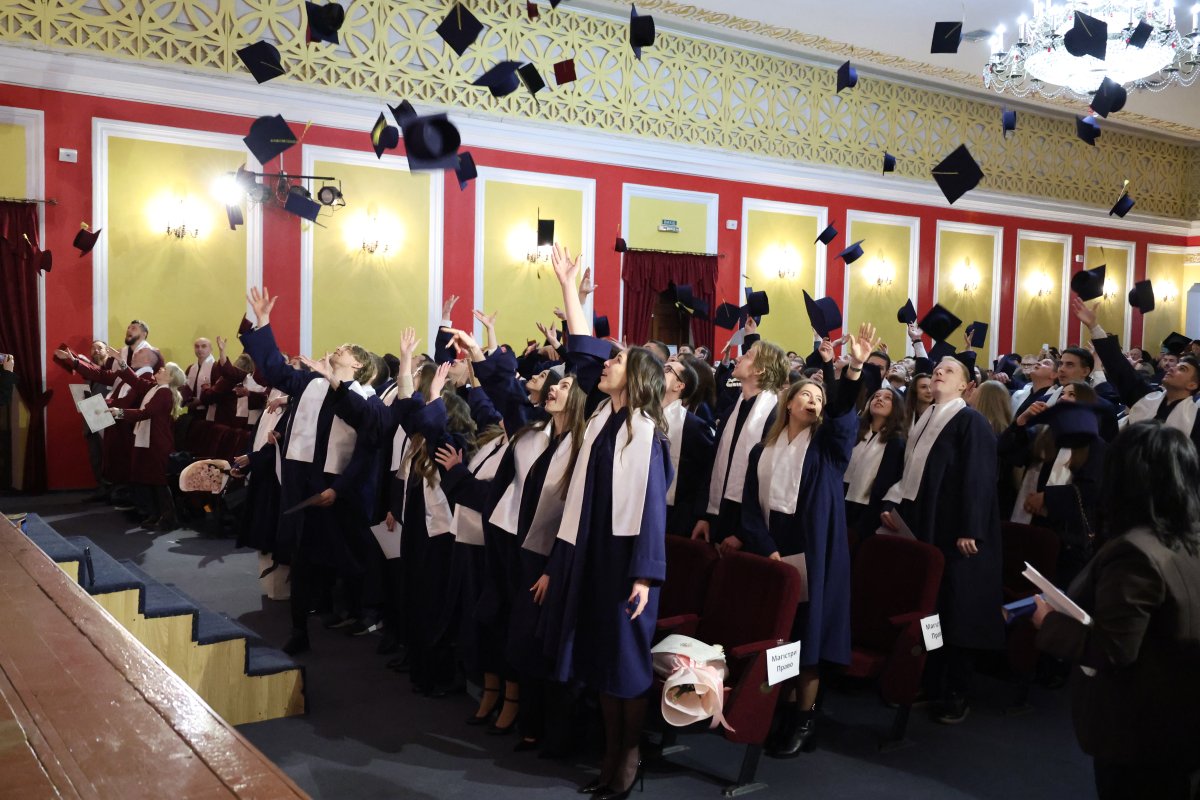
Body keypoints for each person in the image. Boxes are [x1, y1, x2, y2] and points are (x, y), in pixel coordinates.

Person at [539, 244, 671, 800]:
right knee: (600, 661)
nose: (606, 364)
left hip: (627, 561)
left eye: (617, 361)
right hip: (592, 551)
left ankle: (629, 755)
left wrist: (644, 576)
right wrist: (568, 289)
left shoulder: (646, 433)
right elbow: (582, 351)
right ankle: (609, 754)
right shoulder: (602, 416)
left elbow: (653, 512)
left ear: (634, 377)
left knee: (626, 666)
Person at [1033, 422, 1200, 800]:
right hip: (1183, 720)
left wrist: (1050, 622)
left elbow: (1114, 648)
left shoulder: (1135, 551)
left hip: (1141, 728)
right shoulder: (1187, 536)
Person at [740, 323, 876, 756]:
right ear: (789, 402)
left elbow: (843, 414)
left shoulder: (829, 447)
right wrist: (767, 548)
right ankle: (777, 708)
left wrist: (853, 368)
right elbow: (749, 508)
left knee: (808, 638)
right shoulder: (762, 450)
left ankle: (805, 719)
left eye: (819, 397)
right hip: (774, 550)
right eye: (807, 394)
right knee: (778, 633)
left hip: (814, 553)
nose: (814, 400)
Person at [880, 355, 1004, 724]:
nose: (939, 372)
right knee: (931, 608)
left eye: (949, 370)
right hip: (927, 526)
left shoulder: (971, 421)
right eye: (937, 369)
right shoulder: (924, 419)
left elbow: (980, 477)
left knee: (957, 610)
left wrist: (971, 527)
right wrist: (892, 503)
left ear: (966, 386)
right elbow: (911, 471)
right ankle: (932, 680)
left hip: (957, 533)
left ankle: (956, 689)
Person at [692, 338, 788, 547]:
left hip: (748, 523)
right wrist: (704, 516)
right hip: (719, 512)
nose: (738, 358)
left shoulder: (775, 415)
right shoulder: (733, 409)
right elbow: (714, 462)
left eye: (747, 355)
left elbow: (771, 480)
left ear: (760, 370)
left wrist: (744, 534)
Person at [1073, 297, 1200, 448]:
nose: (1172, 368)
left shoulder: (1196, 419)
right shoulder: (1146, 397)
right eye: (1177, 365)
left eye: (1182, 369)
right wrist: (1094, 327)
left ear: (1193, 384)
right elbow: (1118, 365)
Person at [106, 349, 186, 530]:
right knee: (147, 479)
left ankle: (168, 518)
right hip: (147, 439)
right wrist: (121, 362)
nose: (160, 370)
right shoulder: (154, 388)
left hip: (157, 442)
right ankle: (154, 514)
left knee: (158, 481)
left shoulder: (164, 393)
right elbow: (135, 380)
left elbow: (146, 413)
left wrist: (120, 412)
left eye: (164, 370)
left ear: (170, 378)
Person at [844, 384, 907, 548]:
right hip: (841, 499)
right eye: (876, 396)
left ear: (896, 408)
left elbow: (888, 481)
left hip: (867, 508)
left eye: (887, 398)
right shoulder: (854, 430)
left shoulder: (896, 441)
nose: (879, 399)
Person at [661, 358, 715, 537]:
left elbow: (708, 473)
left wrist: (702, 515)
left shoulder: (693, 426)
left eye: (667, 370)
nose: (660, 370)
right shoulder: (640, 416)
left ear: (679, 386)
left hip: (676, 515)